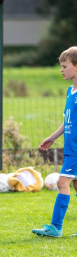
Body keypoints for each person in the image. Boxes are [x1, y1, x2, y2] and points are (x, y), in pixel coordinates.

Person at [32, 46, 77, 238]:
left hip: (76, 150)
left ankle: (56, 227)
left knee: (62, 182)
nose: (61, 70)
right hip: (70, 148)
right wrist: (52, 137)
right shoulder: (70, 91)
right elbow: (68, 120)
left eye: (64, 66)